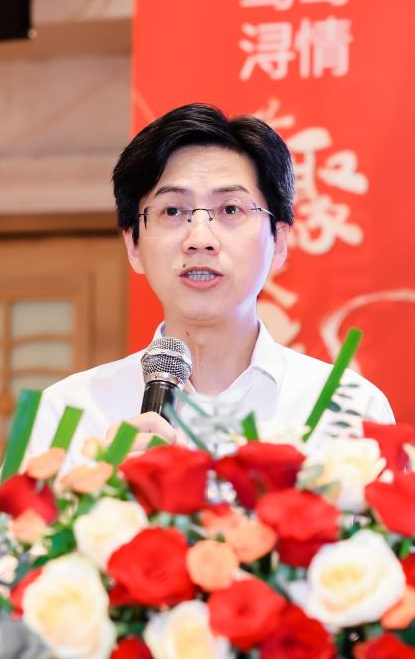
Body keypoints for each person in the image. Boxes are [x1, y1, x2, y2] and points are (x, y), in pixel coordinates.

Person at [21, 103, 394, 473]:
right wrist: (103, 490)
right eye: (172, 211)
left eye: (230, 209)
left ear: (278, 242)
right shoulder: (65, 415)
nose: (200, 239)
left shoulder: (351, 412)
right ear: (134, 245)